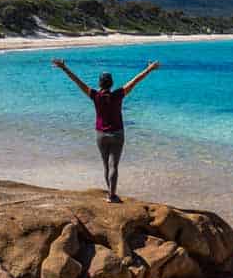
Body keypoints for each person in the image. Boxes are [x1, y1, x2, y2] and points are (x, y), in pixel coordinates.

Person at [53, 57, 159, 202]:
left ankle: (110, 194)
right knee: (114, 165)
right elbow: (135, 81)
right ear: (112, 84)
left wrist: (64, 68)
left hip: (101, 135)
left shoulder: (95, 96)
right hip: (117, 134)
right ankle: (112, 195)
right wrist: (149, 69)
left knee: (106, 166)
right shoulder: (118, 94)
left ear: (99, 83)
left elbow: (77, 81)